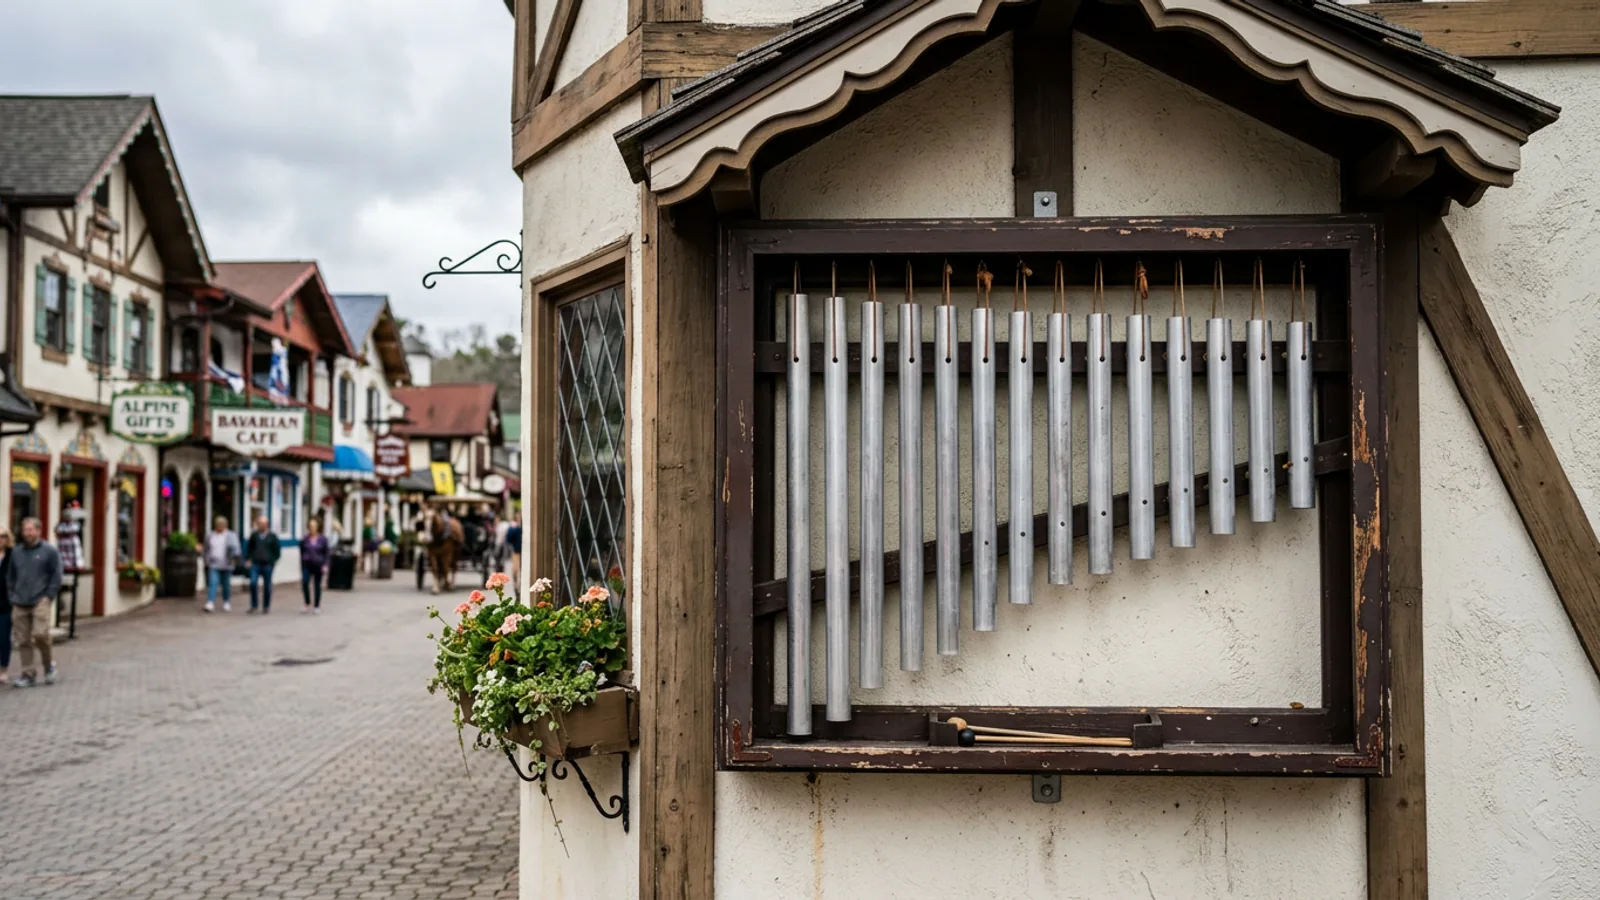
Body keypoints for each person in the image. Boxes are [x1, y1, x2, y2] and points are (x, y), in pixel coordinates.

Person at [7, 517, 63, 688]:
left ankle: (48, 667)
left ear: (39, 531)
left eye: (31, 530)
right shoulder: (16, 552)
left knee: (40, 634)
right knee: (22, 639)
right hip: (20, 601)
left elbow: (56, 575)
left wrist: (48, 596)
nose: (28, 533)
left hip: (41, 600)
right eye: (25, 530)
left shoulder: (49, 551)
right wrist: (12, 595)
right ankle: (28, 673)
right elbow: (11, 576)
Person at [203, 516, 241, 613]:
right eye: (218, 525)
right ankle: (210, 602)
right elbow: (206, 548)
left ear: (225, 525)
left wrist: (234, 555)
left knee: (226, 585)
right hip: (214, 563)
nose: (219, 527)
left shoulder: (231, 535)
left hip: (227, 564)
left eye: (221, 525)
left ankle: (226, 602)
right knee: (213, 583)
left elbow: (237, 549)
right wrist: (206, 560)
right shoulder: (211, 535)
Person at [244, 515, 281, 614]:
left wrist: (272, 561)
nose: (259, 525)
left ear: (266, 525)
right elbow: (249, 549)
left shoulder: (272, 537)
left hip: (267, 565)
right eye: (258, 523)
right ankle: (254, 605)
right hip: (255, 564)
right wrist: (248, 559)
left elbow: (277, 551)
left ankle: (266, 606)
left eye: (261, 524)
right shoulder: (254, 535)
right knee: (253, 583)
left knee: (267, 586)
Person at [300, 518, 330, 614]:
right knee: (305, 582)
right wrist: (302, 563)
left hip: (318, 564)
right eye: (310, 526)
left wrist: (326, 565)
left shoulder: (323, 539)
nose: (312, 528)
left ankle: (317, 605)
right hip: (307, 564)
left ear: (317, 527)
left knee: (317, 585)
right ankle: (307, 603)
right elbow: (301, 552)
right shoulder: (304, 539)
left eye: (314, 526)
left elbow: (326, 553)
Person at [0, 528, 13, 685]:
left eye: (3, 536)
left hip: (6, 603)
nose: (0, 539)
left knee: (3, 638)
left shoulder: (12, 556)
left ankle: (3, 669)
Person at [504, 518, 523, 590]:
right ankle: (516, 584)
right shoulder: (514, 528)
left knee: (517, 568)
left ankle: (517, 583)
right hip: (516, 551)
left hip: (518, 550)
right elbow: (508, 539)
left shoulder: (517, 528)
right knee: (516, 569)